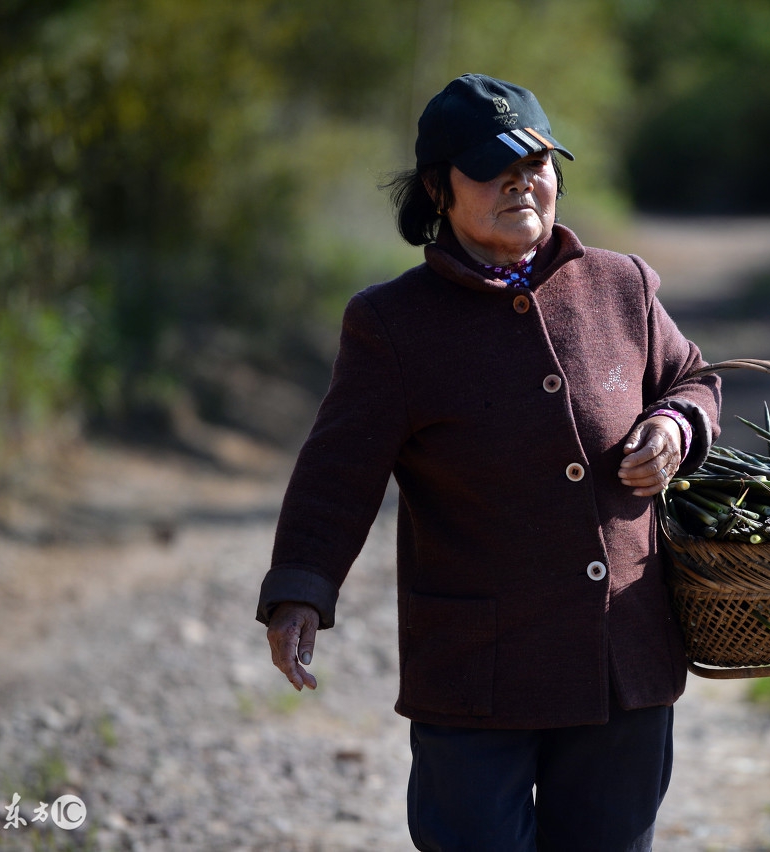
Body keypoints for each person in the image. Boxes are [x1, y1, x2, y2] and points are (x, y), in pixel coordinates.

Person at [256, 73, 721, 851]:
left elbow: (693, 379)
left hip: (620, 663)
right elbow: (339, 469)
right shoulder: (393, 324)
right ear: (439, 190)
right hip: (476, 670)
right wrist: (300, 589)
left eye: (537, 163)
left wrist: (676, 426)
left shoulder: (620, 287)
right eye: (493, 168)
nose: (523, 182)